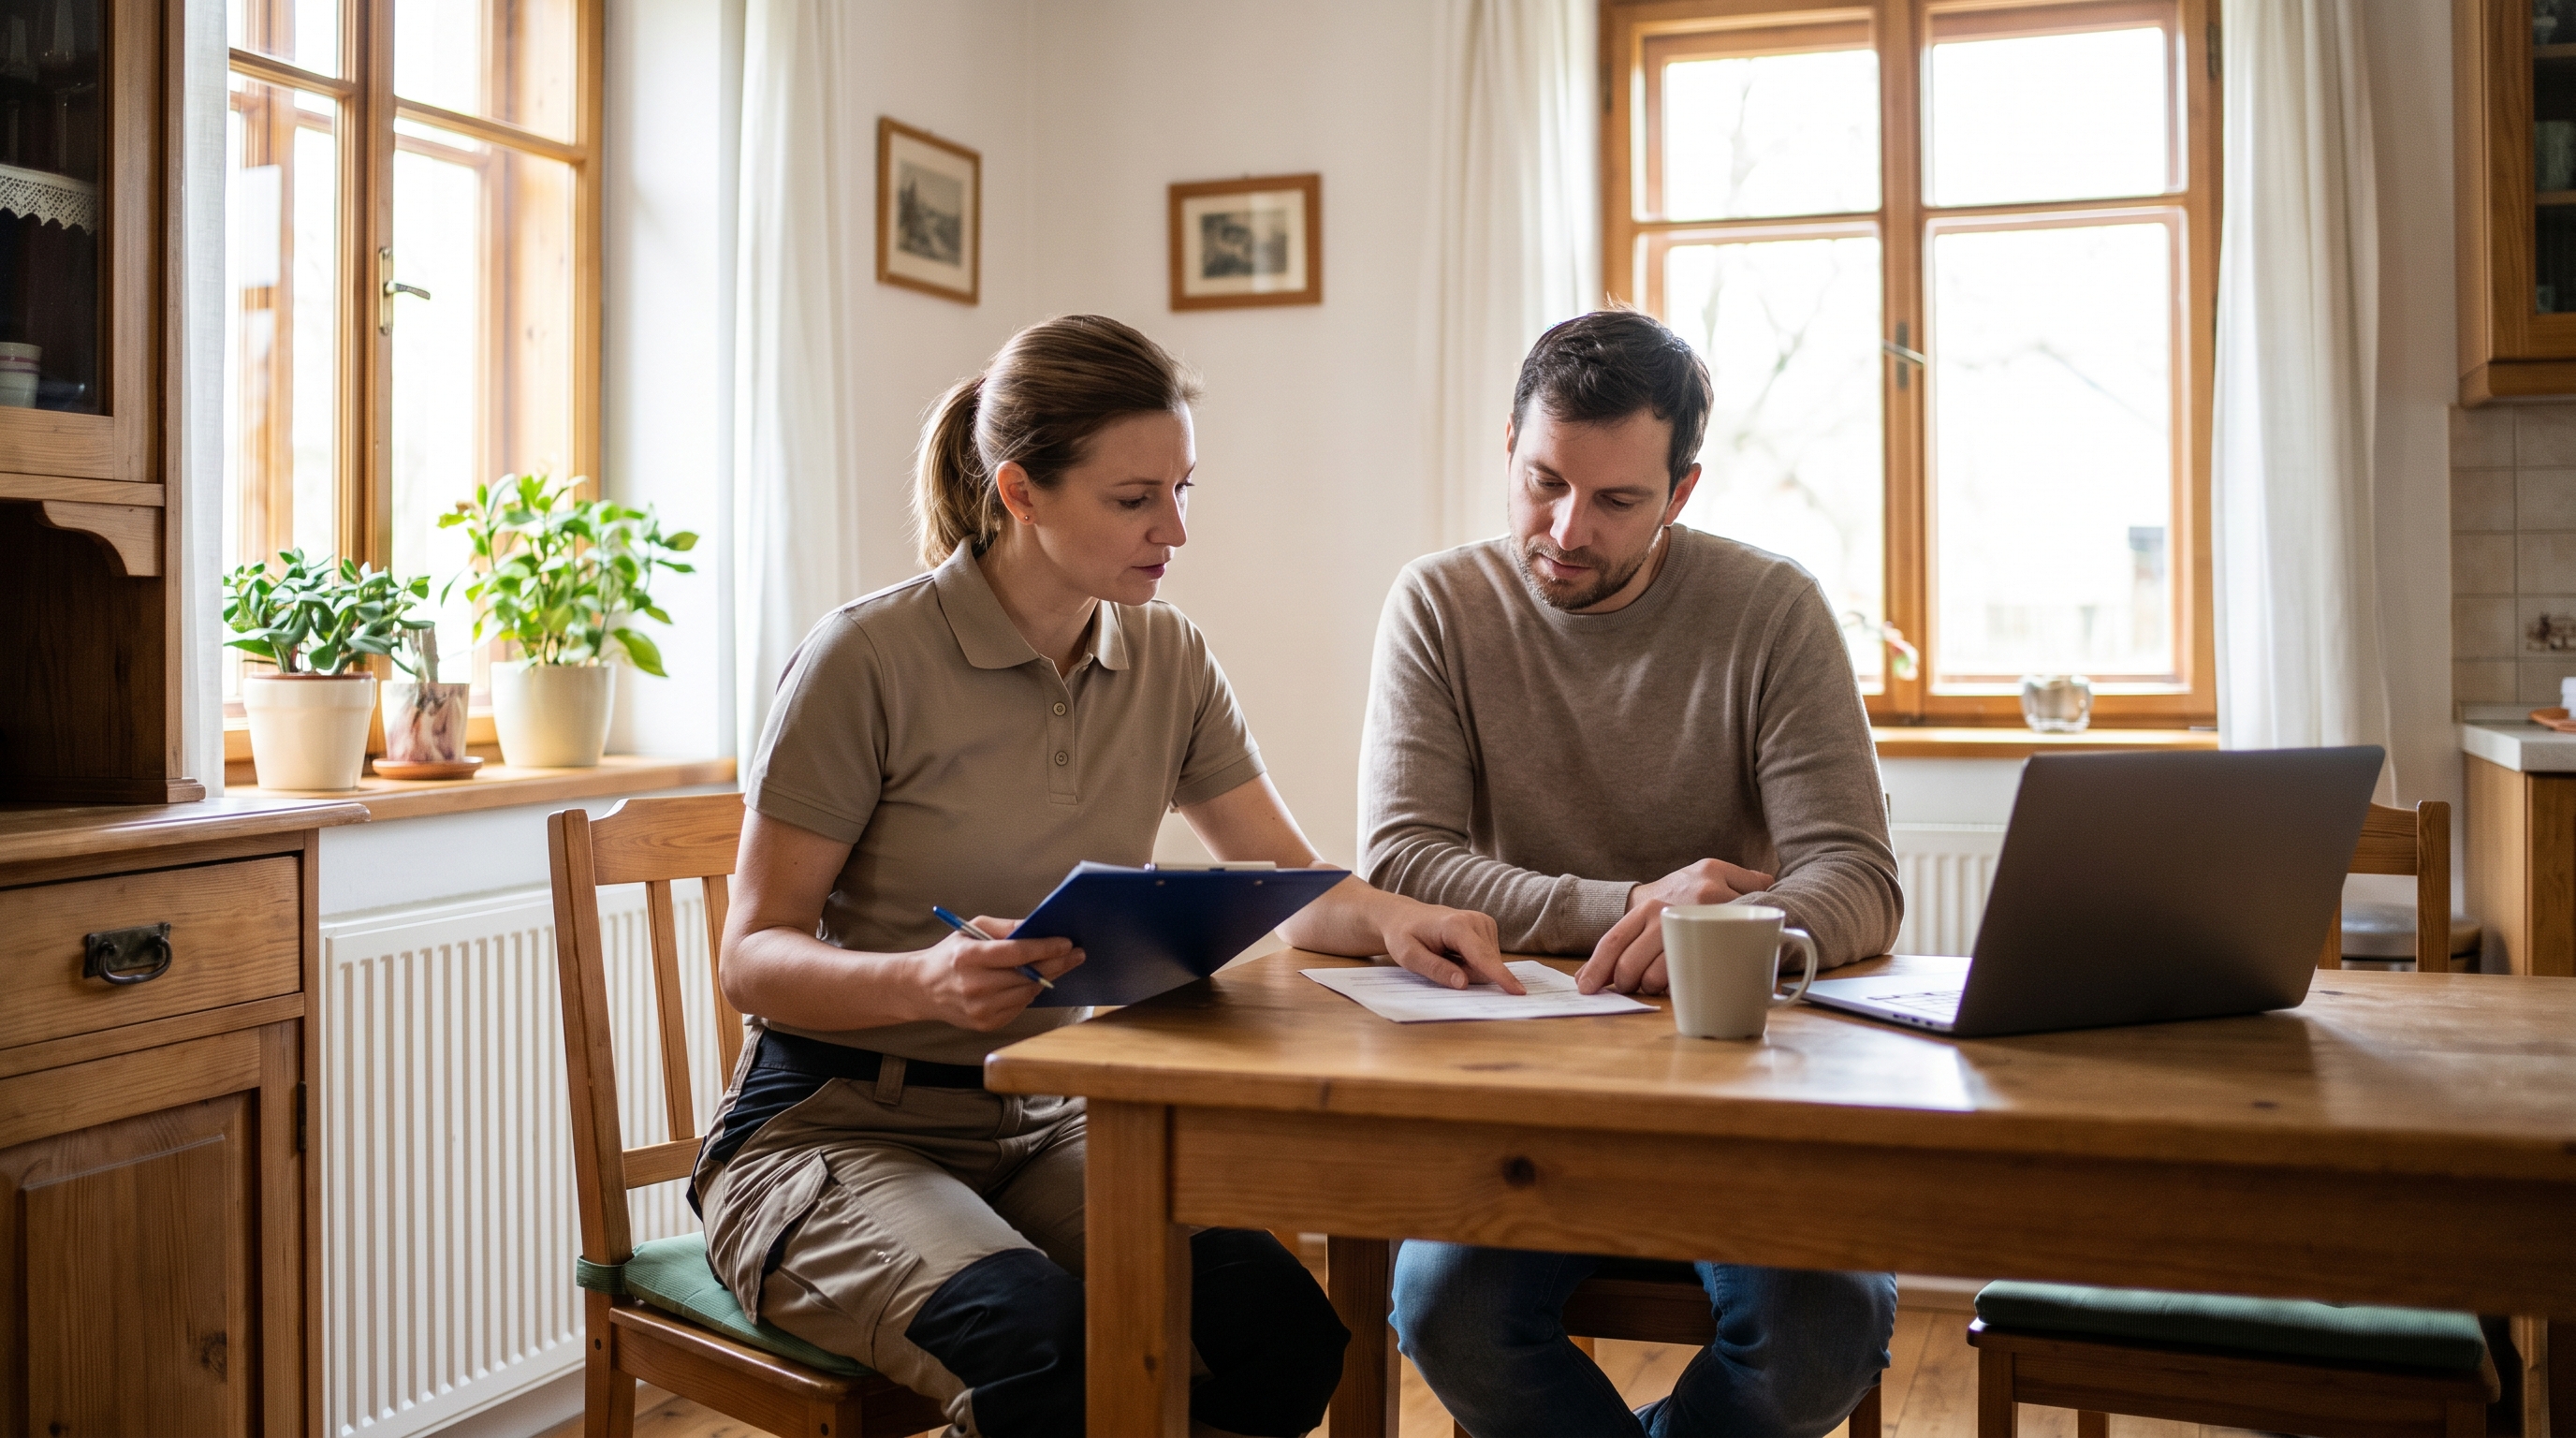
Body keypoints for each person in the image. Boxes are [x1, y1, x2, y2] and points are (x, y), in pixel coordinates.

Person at [696, 315, 1511, 1438]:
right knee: (1050, 1360)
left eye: (1182, 488)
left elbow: (1291, 880)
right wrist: (926, 982)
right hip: (835, 1132)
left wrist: (1403, 921)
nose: (1174, 527)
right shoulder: (864, 658)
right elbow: (751, 959)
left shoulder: (1166, 656)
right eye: (1135, 499)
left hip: (1053, 1119)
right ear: (1020, 492)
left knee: (1283, 1338)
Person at [1358, 307, 1903, 1438]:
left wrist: (1733, 925)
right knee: (1442, 1310)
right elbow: (1403, 861)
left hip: (1741, 1089)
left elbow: (1856, 875)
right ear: (1506, 442)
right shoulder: (1439, 605)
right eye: (1543, 481)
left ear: (1682, 492)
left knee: (1821, 1337)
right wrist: (1636, 907)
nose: (1564, 529)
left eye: (1615, 502)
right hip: (1522, 1085)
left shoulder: (1770, 608)